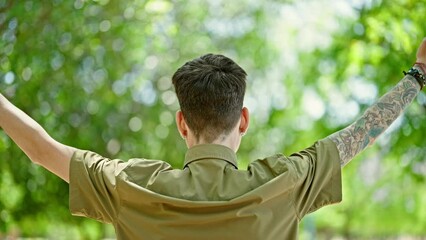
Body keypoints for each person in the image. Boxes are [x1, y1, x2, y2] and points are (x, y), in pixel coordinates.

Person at [1, 38, 425, 240]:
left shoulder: (131, 185)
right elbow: (361, 133)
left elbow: (41, 149)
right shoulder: (285, 181)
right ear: (243, 120)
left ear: (181, 123)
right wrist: (417, 75)